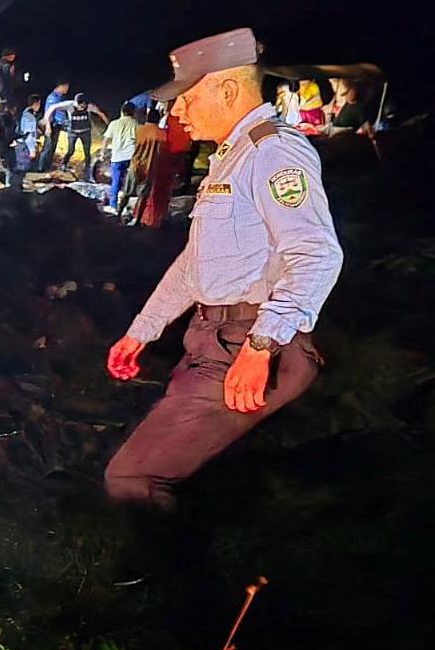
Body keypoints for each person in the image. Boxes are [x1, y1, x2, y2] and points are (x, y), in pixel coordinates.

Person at [105, 28, 343, 524]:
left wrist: (260, 348)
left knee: (131, 480)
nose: (178, 113)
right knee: (167, 467)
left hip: (246, 340)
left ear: (227, 90)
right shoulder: (232, 157)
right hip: (219, 337)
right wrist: (140, 332)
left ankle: (163, 588)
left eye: (186, 99)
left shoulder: (273, 152)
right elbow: (194, 265)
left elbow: (317, 253)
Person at [44, 93, 109, 181]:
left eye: (84, 106)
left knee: (87, 152)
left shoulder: (89, 107)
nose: (83, 108)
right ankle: (64, 164)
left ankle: (88, 172)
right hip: (73, 132)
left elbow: (100, 113)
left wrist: (108, 124)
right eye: (81, 106)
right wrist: (47, 123)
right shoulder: (69, 105)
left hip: (85, 131)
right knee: (71, 150)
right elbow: (52, 108)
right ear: (76, 103)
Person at [124, 106, 166, 222]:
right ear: (158, 119)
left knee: (127, 192)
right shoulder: (162, 133)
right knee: (143, 196)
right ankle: (137, 220)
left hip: (135, 164)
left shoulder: (139, 129)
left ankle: (118, 214)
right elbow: (161, 151)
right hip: (150, 167)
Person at [101, 102, 139, 213]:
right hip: (131, 156)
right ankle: (127, 205)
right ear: (133, 113)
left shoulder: (114, 123)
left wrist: (102, 153)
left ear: (122, 111)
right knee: (130, 182)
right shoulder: (136, 123)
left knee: (116, 181)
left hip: (117, 157)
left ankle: (113, 206)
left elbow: (106, 139)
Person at [8, 94, 41, 190]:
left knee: (20, 170)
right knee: (21, 170)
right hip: (24, 146)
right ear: (35, 104)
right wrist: (32, 150)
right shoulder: (29, 117)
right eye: (39, 104)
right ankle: (15, 189)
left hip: (21, 144)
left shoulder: (25, 113)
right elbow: (28, 135)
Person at [36, 80, 71, 171]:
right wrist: (48, 127)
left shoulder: (60, 97)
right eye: (67, 87)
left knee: (52, 148)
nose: (67, 89)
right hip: (52, 125)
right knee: (48, 147)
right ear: (61, 86)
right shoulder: (53, 98)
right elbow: (48, 113)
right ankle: (41, 168)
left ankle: (47, 167)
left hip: (57, 125)